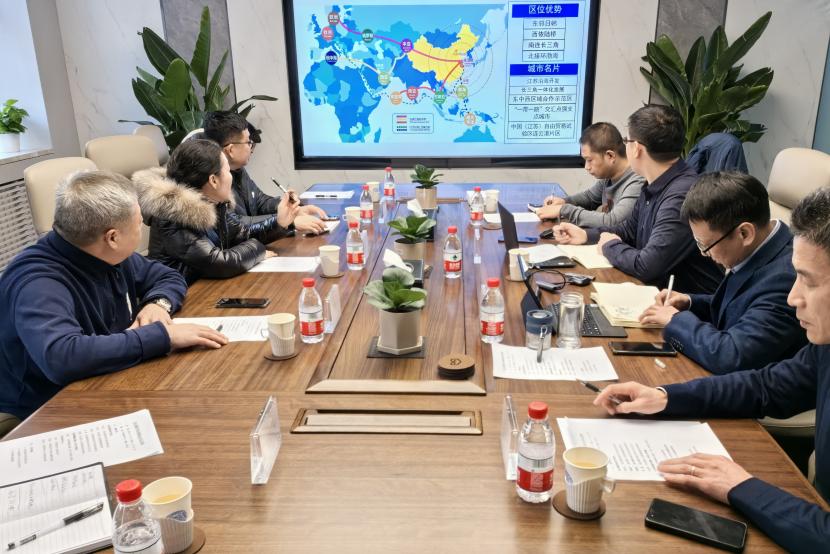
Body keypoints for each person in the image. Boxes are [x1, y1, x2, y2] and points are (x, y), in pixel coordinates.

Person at [594, 187, 830, 553]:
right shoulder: (825, 346)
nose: (792, 297)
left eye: (809, 280)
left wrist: (741, 486)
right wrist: (664, 397)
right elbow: (766, 386)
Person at [0, 171, 227, 420]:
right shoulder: (38, 283)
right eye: (139, 222)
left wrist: (158, 304)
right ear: (113, 237)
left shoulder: (103, 252)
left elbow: (168, 277)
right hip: (48, 407)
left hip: (106, 376)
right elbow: (62, 357)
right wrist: (163, 336)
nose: (142, 227)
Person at [639, 171, 806, 374]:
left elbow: (731, 355)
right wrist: (690, 302)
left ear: (744, 233)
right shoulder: (762, 246)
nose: (704, 253)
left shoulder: (786, 279)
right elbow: (741, 306)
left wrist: (675, 320)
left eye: (705, 244)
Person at [553, 105, 722, 294]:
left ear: (637, 149)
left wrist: (609, 246)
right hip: (655, 293)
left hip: (685, 303)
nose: (624, 146)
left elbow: (647, 265)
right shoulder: (655, 181)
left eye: (627, 141)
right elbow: (629, 230)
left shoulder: (680, 195)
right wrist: (586, 235)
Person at [135, 139, 295, 284]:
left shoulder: (213, 202)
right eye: (227, 171)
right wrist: (257, 250)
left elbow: (241, 233)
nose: (231, 177)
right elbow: (218, 263)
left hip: (206, 286)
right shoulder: (172, 215)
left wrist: (279, 222)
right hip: (184, 297)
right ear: (213, 180)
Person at [203, 111, 327, 233]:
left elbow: (259, 202)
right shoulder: (210, 181)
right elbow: (236, 226)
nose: (251, 148)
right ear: (230, 150)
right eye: (248, 142)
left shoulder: (237, 169)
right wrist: (287, 221)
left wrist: (288, 208)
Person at [537, 122, 645, 227]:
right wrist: (564, 202)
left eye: (589, 160)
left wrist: (564, 210)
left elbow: (613, 221)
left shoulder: (637, 181)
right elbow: (590, 198)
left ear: (610, 156)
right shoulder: (609, 176)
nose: (586, 167)